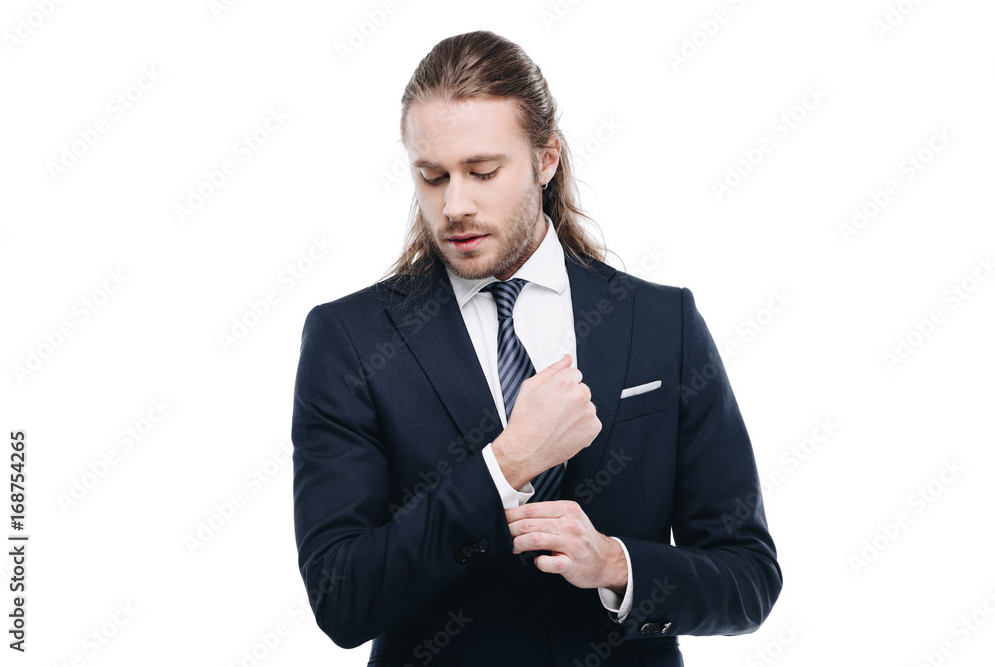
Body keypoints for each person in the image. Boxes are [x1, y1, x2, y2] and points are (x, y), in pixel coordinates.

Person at [291, 30, 781, 667]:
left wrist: (615, 565)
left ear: (547, 159)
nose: (454, 206)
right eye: (431, 176)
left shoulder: (663, 322)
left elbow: (747, 578)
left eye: (483, 172)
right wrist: (505, 465)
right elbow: (342, 597)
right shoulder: (350, 339)